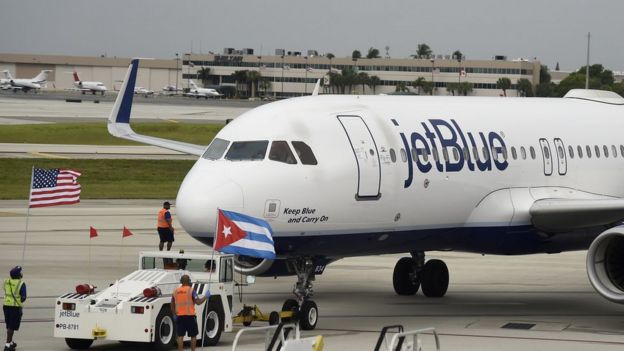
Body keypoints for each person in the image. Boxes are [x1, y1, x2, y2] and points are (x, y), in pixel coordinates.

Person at [171, 275, 209, 351]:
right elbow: (198, 302)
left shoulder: (175, 291)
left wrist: (174, 314)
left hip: (180, 317)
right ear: (188, 281)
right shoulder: (191, 291)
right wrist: (206, 296)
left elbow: (172, 303)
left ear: (181, 281)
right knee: (193, 336)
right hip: (190, 317)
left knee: (180, 336)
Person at [3, 266, 26, 351]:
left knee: (9, 325)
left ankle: (11, 342)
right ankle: (7, 345)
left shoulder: (6, 282)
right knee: (11, 327)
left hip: (6, 306)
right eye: (20, 272)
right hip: (15, 307)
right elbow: (23, 298)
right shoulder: (21, 283)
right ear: (18, 275)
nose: (21, 273)